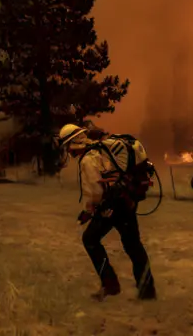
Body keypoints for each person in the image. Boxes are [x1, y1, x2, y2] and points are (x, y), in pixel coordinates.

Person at [58, 123, 157, 301]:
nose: (68, 151)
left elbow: (95, 192)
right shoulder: (100, 151)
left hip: (113, 205)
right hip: (127, 201)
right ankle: (147, 291)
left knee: (90, 239)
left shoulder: (88, 159)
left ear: (72, 144)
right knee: (133, 245)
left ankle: (110, 284)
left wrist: (88, 211)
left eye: (67, 146)